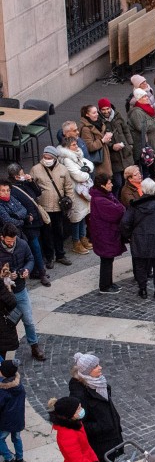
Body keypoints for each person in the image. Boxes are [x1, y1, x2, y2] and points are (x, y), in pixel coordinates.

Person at [68, 351, 127, 462]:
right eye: (95, 366)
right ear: (86, 371)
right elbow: (80, 424)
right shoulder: (80, 395)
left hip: (110, 441)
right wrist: (103, 426)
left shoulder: (101, 384)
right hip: (95, 446)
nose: (100, 367)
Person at [121, 177, 155, 299]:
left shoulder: (134, 206)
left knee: (140, 265)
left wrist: (129, 236)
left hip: (139, 240)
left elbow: (125, 223)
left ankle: (143, 289)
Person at [0, 223, 45, 360]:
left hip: (19, 289)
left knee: (29, 321)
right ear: (2, 237)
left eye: (13, 241)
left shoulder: (22, 244)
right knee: (4, 326)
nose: (11, 244)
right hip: (2, 294)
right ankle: (4, 355)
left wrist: (27, 270)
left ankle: (34, 346)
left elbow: (30, 259)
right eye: (8, 241)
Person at [31, 147, 74, 269]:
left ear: (55, 158)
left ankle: (60, 255)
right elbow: (32, 188)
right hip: (43, 208)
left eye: (49, 158)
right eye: (45, 157)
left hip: (59, 208)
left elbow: (68, 187)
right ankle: (50, 258)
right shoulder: (36, 169)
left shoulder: (63, 170)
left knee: (59, 232)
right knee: (46, 234)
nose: (47, 160)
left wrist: (70, 202)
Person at [7, 165, 50, 286]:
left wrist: (31, 181)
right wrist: (27, 216)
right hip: (29, 223)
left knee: (38, 245)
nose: (24, 174)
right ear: (16, 176)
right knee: (35, 246)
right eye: (22, 172)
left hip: (36, 219)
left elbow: (37, 193)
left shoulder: (25, 183)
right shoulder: (13, 189)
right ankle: (41, 272)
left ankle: (38, 269)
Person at [88, 171, 126, 294]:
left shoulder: (104, 196)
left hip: (106, 233)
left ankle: (108, 283)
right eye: (109, 183)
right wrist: (118, 206)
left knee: (108, 260)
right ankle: (105, 286)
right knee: (107, 260)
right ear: (103, 185)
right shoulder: (101, 200)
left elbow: (119, 206)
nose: (112, 185)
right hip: (105, 234)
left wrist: (118, 206)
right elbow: (118, 211)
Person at [55, 136, 94, 255]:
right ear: (67, 147)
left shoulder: (76, 155)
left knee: (82, 215)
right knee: (76, 218)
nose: (77, 146)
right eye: (73, 145)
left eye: (76, 144)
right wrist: (87, 173)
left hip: (81, 190)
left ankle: (83, 238)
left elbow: (89, 164)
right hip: (75, 192)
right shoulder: (67, 159)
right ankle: (76, 242)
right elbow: (78, 176)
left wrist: (86, 168)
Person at [97, 98, 134, 195]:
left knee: (127, 180)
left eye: (107, 109)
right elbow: (101, 139)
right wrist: (112, 146)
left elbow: (126, 130)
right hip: (113, 157)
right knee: (117, 182)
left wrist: (130, 144)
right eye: (103, 109)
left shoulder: (117, 116)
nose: (106, 111)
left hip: (125, 152)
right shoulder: (99, 121)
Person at [127, 88, 155, 177]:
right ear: (139, 99)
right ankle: (147, 183)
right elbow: (141, 127)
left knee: (150, 162)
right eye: (144, 97)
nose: (147, 98)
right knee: (145, 165)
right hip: (142, 144)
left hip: (148, 141)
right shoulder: (136, 112)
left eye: (147, 96)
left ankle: (152, 178)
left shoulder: (147, 108)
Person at [0, 360, 25, 462]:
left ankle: (9, 460)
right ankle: (20, 460)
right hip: (18, 418)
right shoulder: (19, 386)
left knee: (0, 439)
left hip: (7, 420)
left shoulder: (4, 390)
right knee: (17, 438)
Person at [79, 104, 112, 177]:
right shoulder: (86, 129)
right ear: (87, 114)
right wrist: (102, 140)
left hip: (104, 158)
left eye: (97, 112)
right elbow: (89, 146)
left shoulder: (99, 124)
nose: (97, 114)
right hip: (97, 162)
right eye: (94, 113)